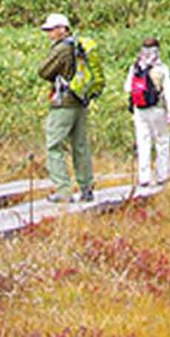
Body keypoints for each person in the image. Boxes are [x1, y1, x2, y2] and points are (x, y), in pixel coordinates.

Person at [37, 13, 96, 203]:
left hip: (64, 102)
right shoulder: (78, 46)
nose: (50, 34)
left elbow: (44, 71)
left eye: (52, 30)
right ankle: (86, 187)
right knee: (80, 145)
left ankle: (63, 190)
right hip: (80, 100)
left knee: (54, 145)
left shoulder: (62, 48)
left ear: (62, 28)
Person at [124, 40, 170, 188]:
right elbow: (168, 91)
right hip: (158, 109)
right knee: (162, 141)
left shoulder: (136, 67)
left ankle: (144, 177)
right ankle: (161, 175)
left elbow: (127, 88)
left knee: (143, 142)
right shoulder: (161, 68)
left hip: (140, 110)